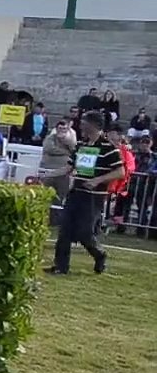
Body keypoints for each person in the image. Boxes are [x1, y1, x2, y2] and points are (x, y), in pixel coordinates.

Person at [43, 111, 124, 276]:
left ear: (94, 125)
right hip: (75, 193)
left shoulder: (109, 148)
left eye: (84, 122)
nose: (81, 125)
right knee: (64, 230)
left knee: (84, 232)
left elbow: (120, 172)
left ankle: (99, 254)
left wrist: (98, 180)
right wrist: (47, 175)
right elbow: (69, 167)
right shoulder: (81, 145)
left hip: (93, 197)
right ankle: (60, 266)